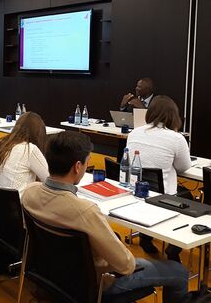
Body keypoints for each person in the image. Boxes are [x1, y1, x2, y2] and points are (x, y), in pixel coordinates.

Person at [22, 131, 189, 303]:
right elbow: (126, 266)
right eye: (87, 162)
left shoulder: (29, 192)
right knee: (179, 272)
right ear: (77, 166)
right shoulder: (85, 211)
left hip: (51, 273)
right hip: (97, 282)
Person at [127, 95, 191, 261]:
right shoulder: (177, 138)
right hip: (163, 197)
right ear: (173, 116)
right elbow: (183, 167)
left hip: (136, 192)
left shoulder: (134, 132)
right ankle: (174, 248)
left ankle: (145, 238)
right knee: (189, 198)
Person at [0, 112, 49, 198]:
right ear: (39, 134)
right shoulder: (29, 149)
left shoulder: (1, 143)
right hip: (17, 204)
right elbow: (50, 181)